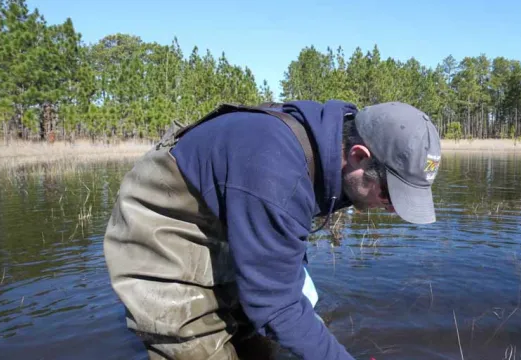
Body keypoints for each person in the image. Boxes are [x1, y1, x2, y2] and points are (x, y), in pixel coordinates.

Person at [103, 99, 442, 360]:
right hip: (166, 214)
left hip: (232, 206)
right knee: (194, 341)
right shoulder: (278, 171)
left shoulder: (339, 143)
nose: (394, 208)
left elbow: (281, 243)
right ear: (358, 155)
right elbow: (275, 305)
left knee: (260, 337)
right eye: (390, 193)